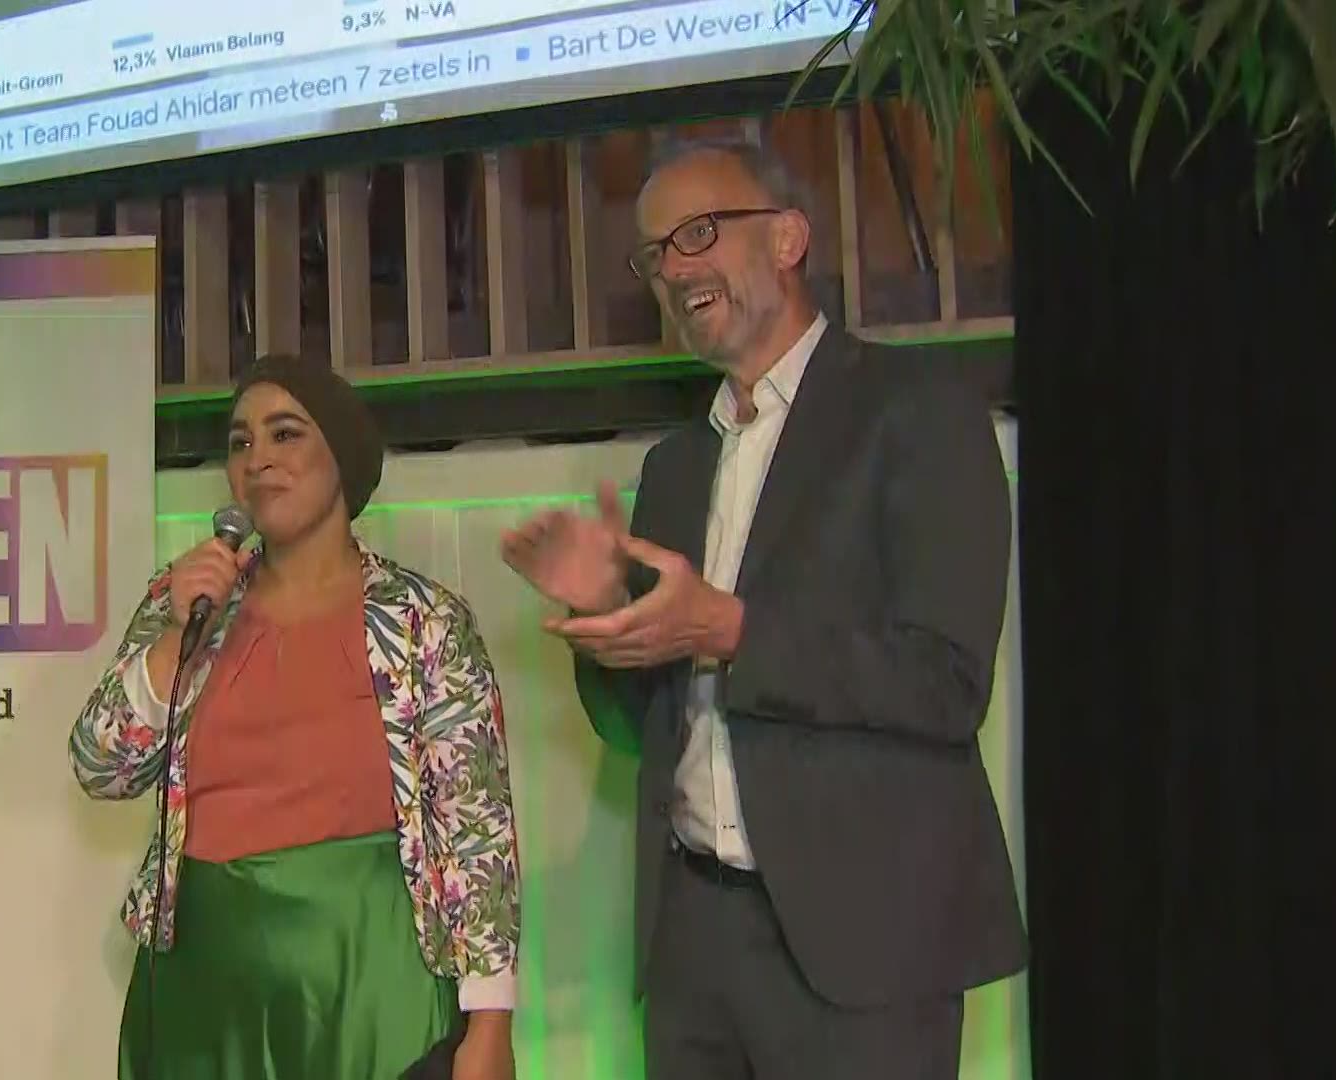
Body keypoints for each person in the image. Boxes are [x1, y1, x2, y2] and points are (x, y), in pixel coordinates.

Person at [500, 138, 1026, 1078]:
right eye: (655, 252)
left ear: (787, 238)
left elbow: (945, 682)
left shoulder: (916, 412)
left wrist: (731, 630)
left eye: (699, 232)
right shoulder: (676, 466)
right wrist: (606, 620)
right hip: (693, 942)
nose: (674, 268)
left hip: (864, 944)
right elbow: (637, 729)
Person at [71, 354, 520, 1080]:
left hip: (370, 973)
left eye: (285, 434)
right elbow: (100, 767)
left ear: (341, 456)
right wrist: (173, 638)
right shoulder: (188, 603)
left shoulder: (424, 620)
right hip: (204, 983)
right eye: (240, 441)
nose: (258, 459)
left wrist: (491, 1023)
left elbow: (477, 827)